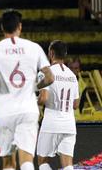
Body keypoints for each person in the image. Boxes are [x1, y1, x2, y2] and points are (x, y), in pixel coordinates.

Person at [0, 9, 54, 170]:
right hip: (27, 109)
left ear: (2, 27)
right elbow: (50, 77)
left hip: (4, 111)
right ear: (19, 27)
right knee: (27, 158)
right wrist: (36, 87)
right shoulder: (34, 48)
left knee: (8, 162)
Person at [37, 40, 79, 170]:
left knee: (42, 160)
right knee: (68, 165)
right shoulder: (72, 75)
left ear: (51, 53)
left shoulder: (47, 72)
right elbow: (76, 104)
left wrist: (34, 100)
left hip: (51, 123)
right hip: (69, 125)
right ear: (65, 54)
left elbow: (43, 99)